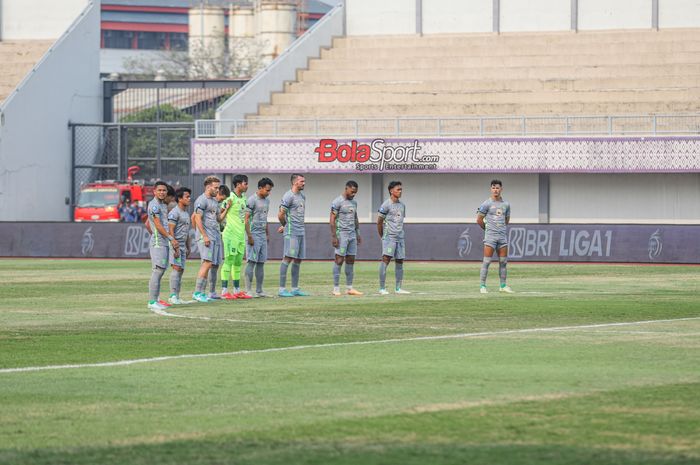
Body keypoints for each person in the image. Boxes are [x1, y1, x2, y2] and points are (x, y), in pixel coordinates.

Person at [147, 181, 180, 311]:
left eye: (164, 191)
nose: (162, 192)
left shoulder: (162, 205)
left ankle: (156, 298)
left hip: (163, 241)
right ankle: (152, 301)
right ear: (154, 191)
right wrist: (171, 238)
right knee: (157, 271)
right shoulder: (154, 205)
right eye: (159, 190)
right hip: (158, 242)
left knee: (161, 271)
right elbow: (158, 225)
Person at [477, 179, 513, 293]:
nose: (495, 190)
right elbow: (479, 220)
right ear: (490, 189)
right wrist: (488, 229)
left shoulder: (506, 204)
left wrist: (500, 229)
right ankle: (482, 286)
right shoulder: (486, 203)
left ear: (501, 189)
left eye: (497, 188)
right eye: (493, 188)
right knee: (487, 262)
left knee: (503, 262)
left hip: (502, 237)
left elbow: (506, 220)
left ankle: (503, 285)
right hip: (490, 237)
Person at [220, 174, 253, 299]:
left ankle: (236, 290)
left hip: (240, 235)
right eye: (245, 183)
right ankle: (224, 291)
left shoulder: (244, 198)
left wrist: (248, 234)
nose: (247, 186)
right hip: (230, 235)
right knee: (229, 261)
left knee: (238, 263)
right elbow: (220, 215)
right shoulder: (230, 198)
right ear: (238, 184)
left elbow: (245, 218)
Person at [192, 176, 223, 303]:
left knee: (211, 264)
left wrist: (226, 209)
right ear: (208, 187)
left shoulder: (215, 201)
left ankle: (203, 292)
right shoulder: (201, 200)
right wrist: (204, 235)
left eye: (218, 187)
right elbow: (197, 218)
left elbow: (218, 219)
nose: (217, 190)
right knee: (206, 263)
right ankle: (197, 292)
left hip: (215, 236)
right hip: (206, 236)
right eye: (215, 187)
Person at [278, 173, 309, 297]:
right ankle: (281, 289)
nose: (304, 183)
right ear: (295, 182)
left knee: (298, 259)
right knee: (288, 258)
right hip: (292, 232)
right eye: (302, 181)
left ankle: (295, 288)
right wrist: (285, 225)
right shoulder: (288, 196)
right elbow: (280, 214)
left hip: (301, 231)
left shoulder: (302, 196)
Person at [330, 180, 363, 296]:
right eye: (352, 192)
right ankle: (336, 288)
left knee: (351, 260)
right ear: (346, 188)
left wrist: (358, 233)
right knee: (339, 260)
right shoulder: (337, 202)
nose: (354, 194)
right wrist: (334, 236)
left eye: (355, 193)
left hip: (352, 235)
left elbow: (355, 218)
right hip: (342, 235)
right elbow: (332, 220)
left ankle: (349, 288)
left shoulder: (354, 203)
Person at [377, 181, 410, 295]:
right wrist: (383, 236)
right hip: (389, 237)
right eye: (398, 189)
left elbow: (400, 221)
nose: (400, 191)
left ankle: (398, 288)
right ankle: (382, 288)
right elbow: (379, 222)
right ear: (391, 190)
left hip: (400, 237)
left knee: (400, 260)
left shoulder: (402, 205)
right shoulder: (386, 205)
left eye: (401, 189)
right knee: (386, 259)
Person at [245, 177, 274, 297]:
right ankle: (248, 290)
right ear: (260, 188)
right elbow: (246, 220)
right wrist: (250, 236)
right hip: (254, 234)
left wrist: (267, 233)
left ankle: (259, 290)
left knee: (261, 262)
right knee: (251, 261)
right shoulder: (251, 200)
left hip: (262, 235)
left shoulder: (267, 201)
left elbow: (265, 218)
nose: (269, 193)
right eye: (267, 190)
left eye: (270, 190)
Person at [167, 187, 192, 305]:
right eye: (187, 197)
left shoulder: (186, 213)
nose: (189, 199)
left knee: (181, 270)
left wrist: (188, 246)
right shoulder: (174, 212)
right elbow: (171, 229)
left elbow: (186, 232)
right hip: (175, 244)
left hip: (183, 245)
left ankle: (177, 295)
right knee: (176, 269)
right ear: (179, 199)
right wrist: (174, 244)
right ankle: (172, 295)